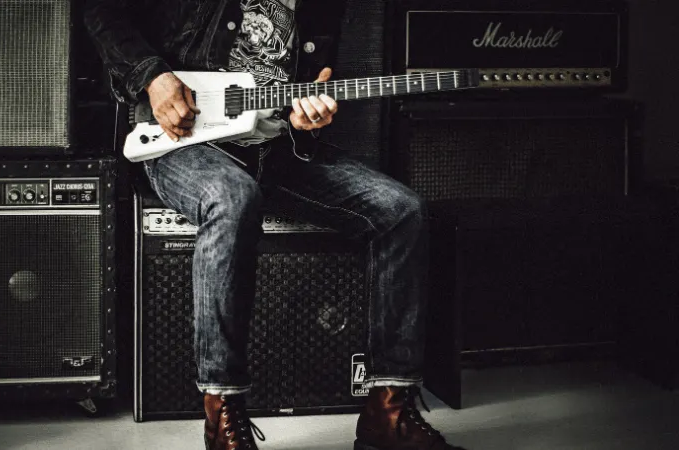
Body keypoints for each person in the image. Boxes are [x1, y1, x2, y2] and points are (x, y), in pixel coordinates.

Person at [84, 1, 465, 449]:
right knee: (232, 197)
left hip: (276, 148)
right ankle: (223, 412)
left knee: (403, 210)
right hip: (181, 142)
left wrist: (307, 120)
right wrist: (153, 76)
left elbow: (309, 91)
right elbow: (101, 11)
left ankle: (389, 412)